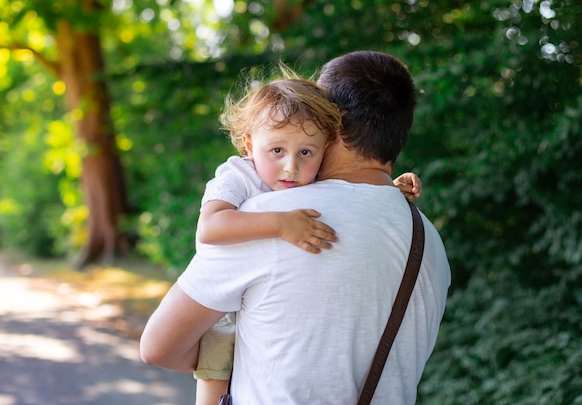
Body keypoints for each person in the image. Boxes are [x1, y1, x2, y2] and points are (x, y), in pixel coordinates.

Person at [140, 51, 451, 405]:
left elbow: (158, 347)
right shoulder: (429, 243)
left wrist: (231, 367)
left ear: (334, 121)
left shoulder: (275, 217)